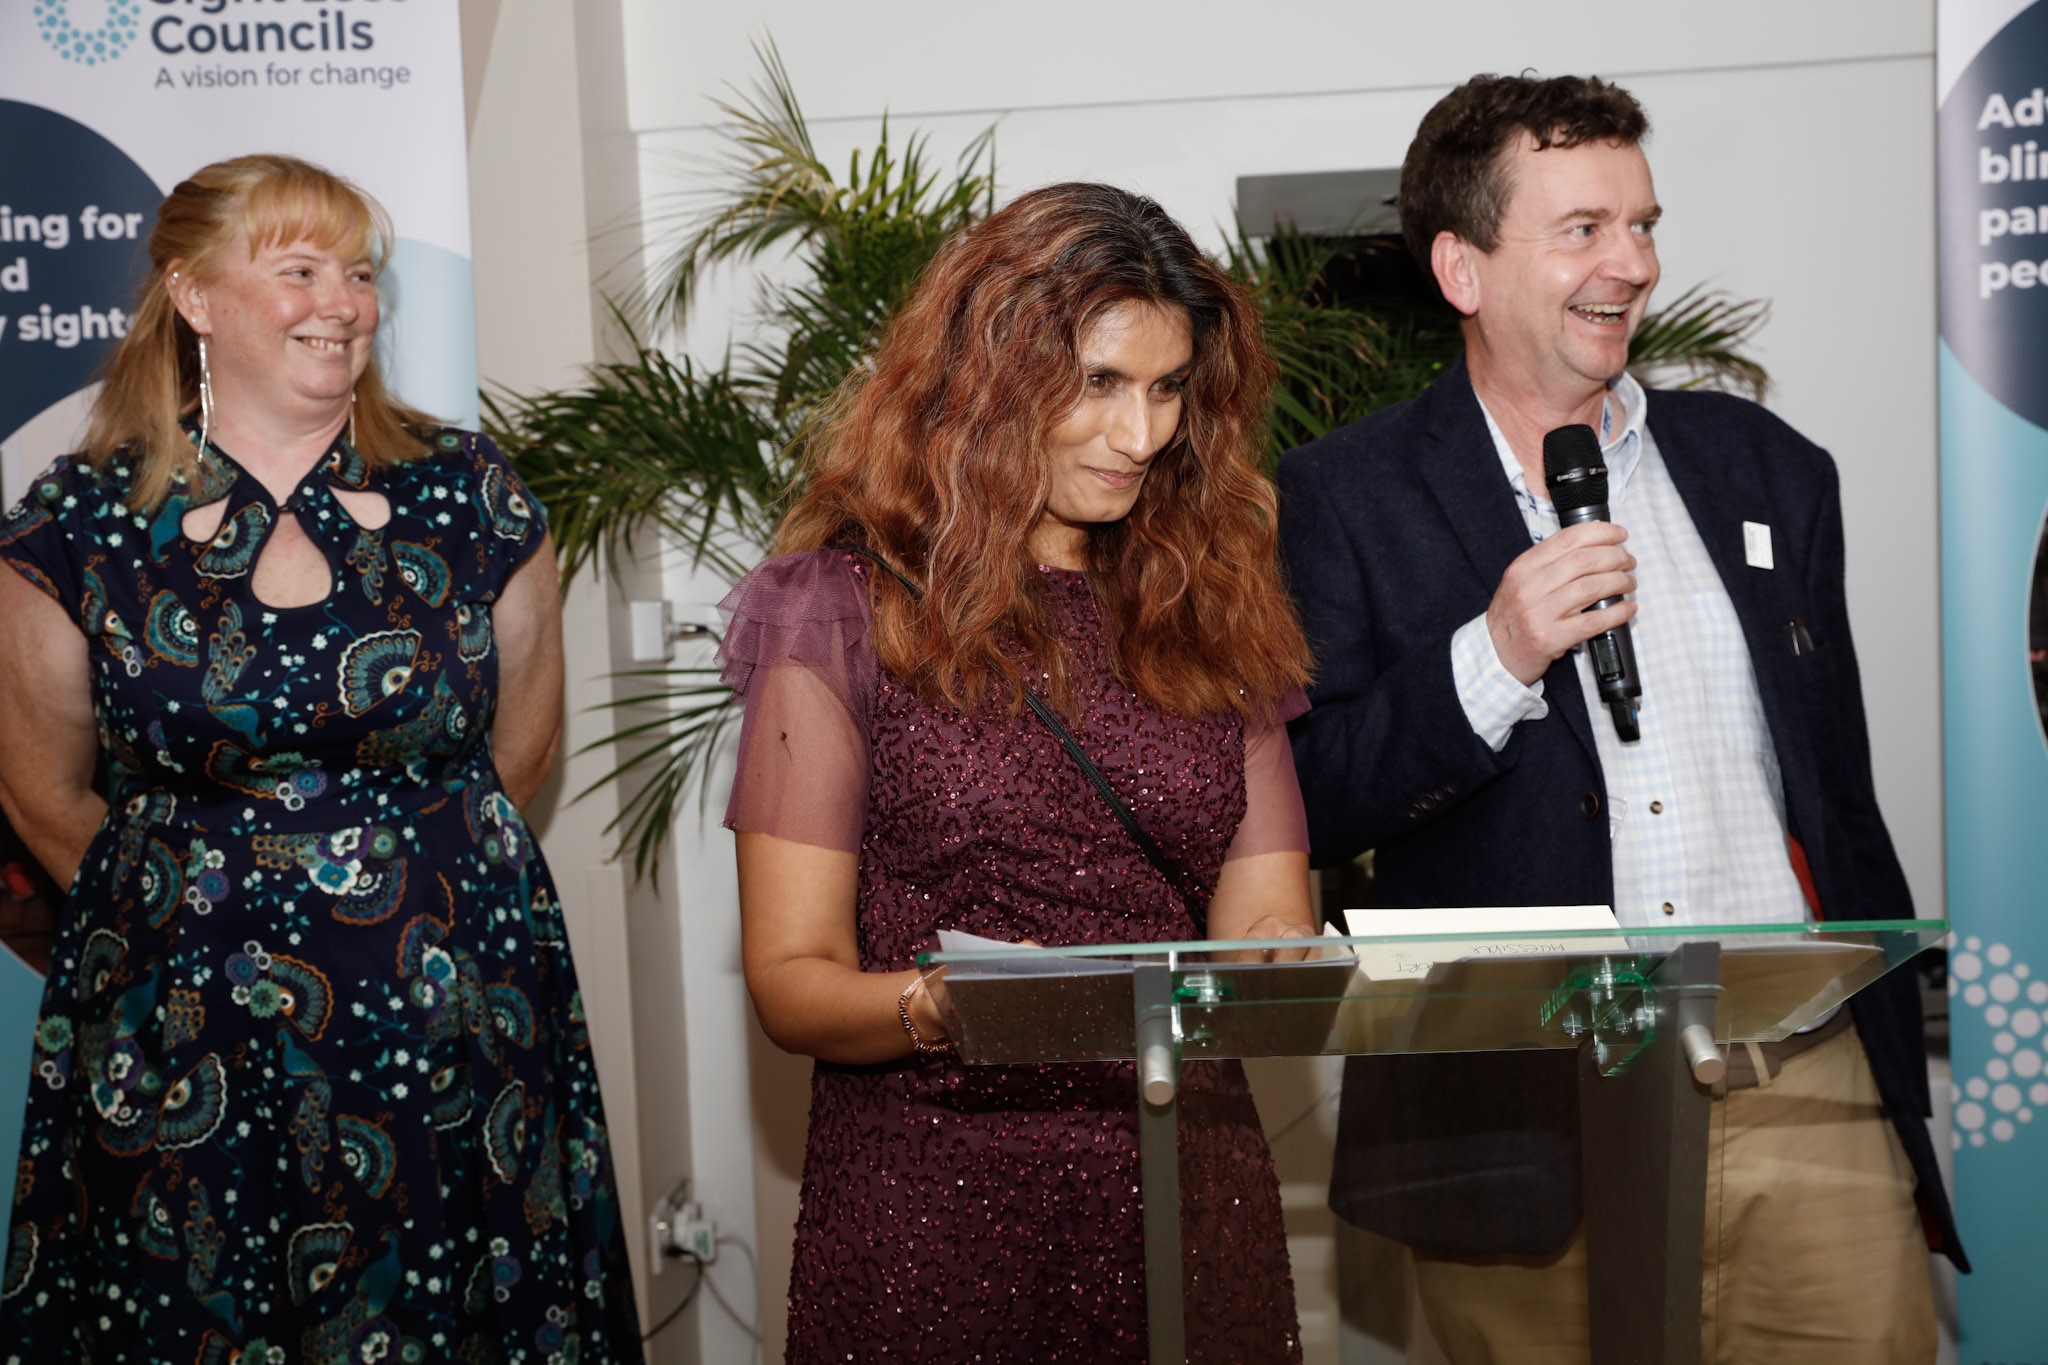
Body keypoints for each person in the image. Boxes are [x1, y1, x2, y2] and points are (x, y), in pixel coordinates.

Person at [1278, 75, 1964, 1364]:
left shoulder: (1768, 469)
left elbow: (1832, 788)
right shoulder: (1338, 496)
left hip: (1797, 1088)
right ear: (1461, 269)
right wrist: (1493, 657)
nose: (1632, 264)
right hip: (1520, 1113)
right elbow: (1306, 800)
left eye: (1642, 225)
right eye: (1582, 229)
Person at [0, 155, 640, 1362]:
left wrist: (403, 896)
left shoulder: (473, 496)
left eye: (358, 273)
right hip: (176, 1026)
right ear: (193, 297)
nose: (341, 302)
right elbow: (39, 787)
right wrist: (186, 918)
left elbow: (524, 742)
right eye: (297, 270)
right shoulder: (76, 525)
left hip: (446, 1009)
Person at [720, 181, 1315, 1362]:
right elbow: (792, 981)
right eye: (1096, 385)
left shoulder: (1208, 607)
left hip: (1189, 1178)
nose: (1139, 436)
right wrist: (943, 1006)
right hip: (933, 1199)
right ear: (991, 380)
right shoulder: (841, 610)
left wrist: (1276, 962)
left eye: (1163, 391)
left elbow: (1266, 914)